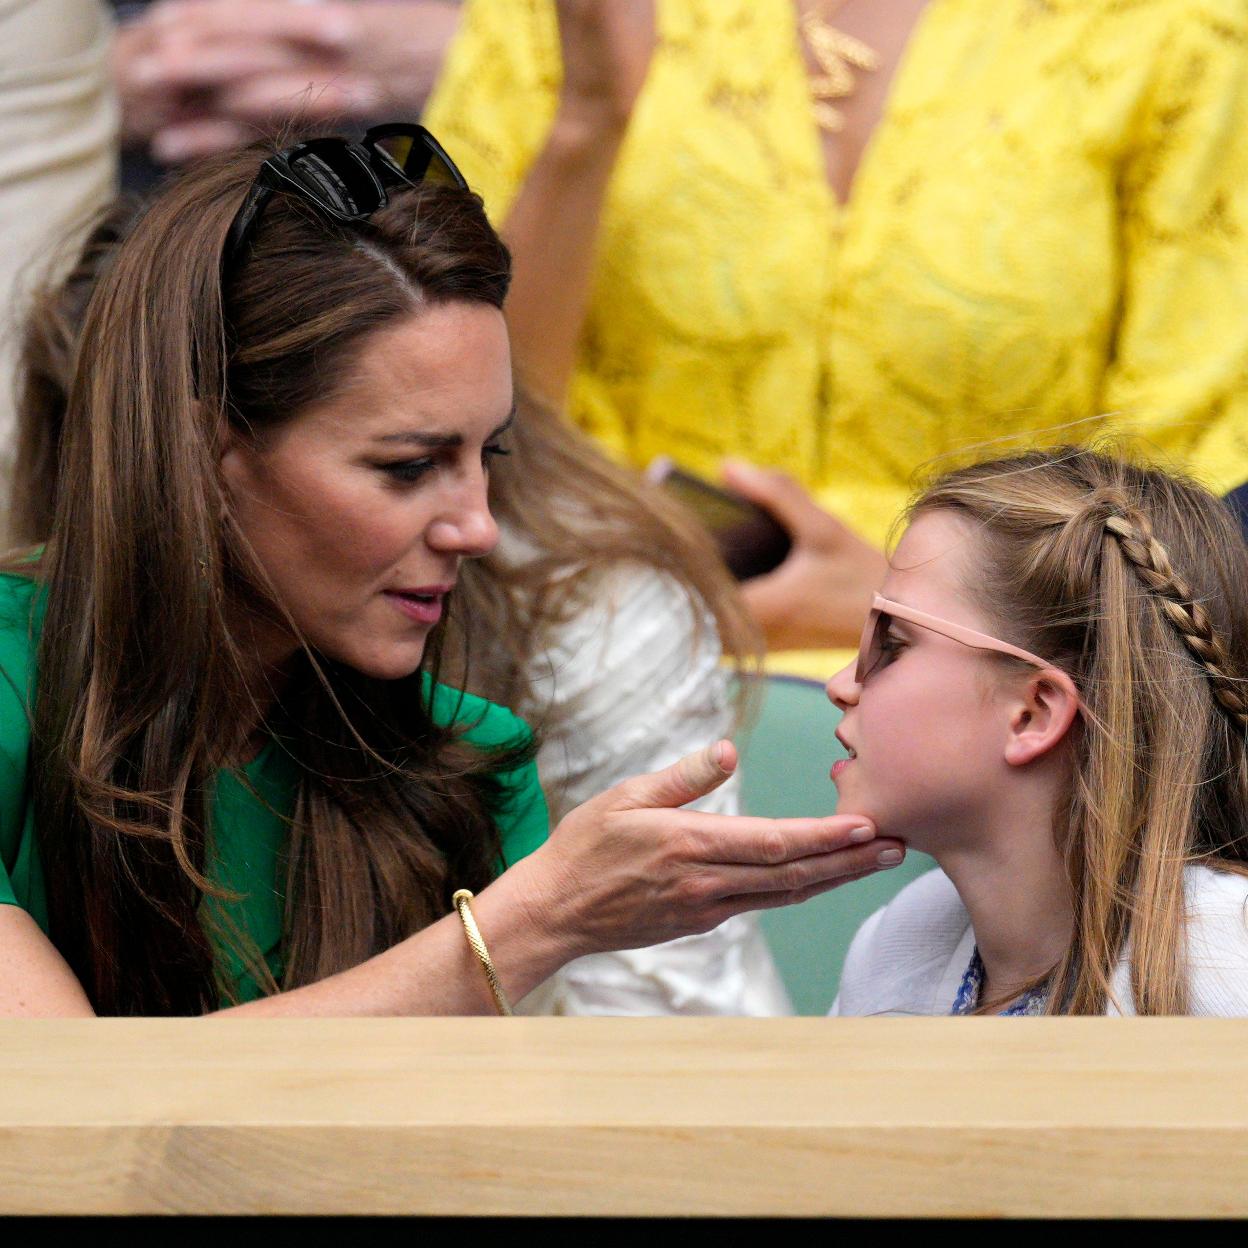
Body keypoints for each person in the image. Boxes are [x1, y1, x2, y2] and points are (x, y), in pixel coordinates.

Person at [0, 127, 901, 1017]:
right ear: (206, 451)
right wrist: (535, 920)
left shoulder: (468, 767)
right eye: (406, 466)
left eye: (487, 454)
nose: (478, 526)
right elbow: (74, 1105)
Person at [424, 0, 1248, 664]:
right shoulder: (548, 15)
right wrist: (588, 123)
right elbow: (446, 409)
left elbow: (1188, 506)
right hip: (579, 642)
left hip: (1015, 680)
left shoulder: (1181, 26)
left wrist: (922, 600)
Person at [827, 446, 1248, 1016]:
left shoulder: (1228, 974)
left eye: (893, 645)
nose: (841, 684)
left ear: (1033, 714)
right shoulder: (898, 941)